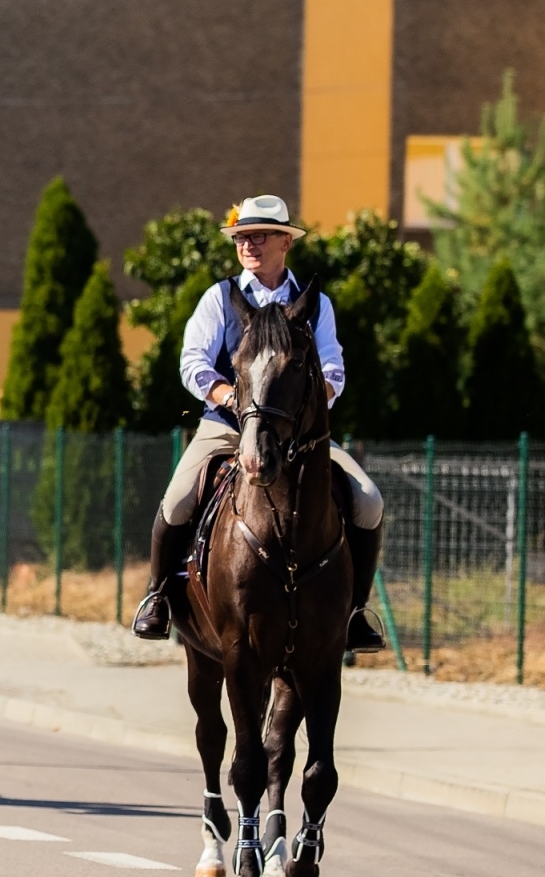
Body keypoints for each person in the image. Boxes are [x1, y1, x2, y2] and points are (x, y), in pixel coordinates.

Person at [129, 194, 384, 651]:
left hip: (299, 432)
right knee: (177, 499)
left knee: (369, 500)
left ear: (286, 242)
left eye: (259, 236)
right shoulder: (219, 298)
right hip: (227, 425)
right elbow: (193, 362)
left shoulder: (315, 304)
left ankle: (355, 613)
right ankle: (158, 596)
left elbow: (334, 370)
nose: (248, 244)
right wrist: (227, 396)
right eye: (241, 237)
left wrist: (306, 409)